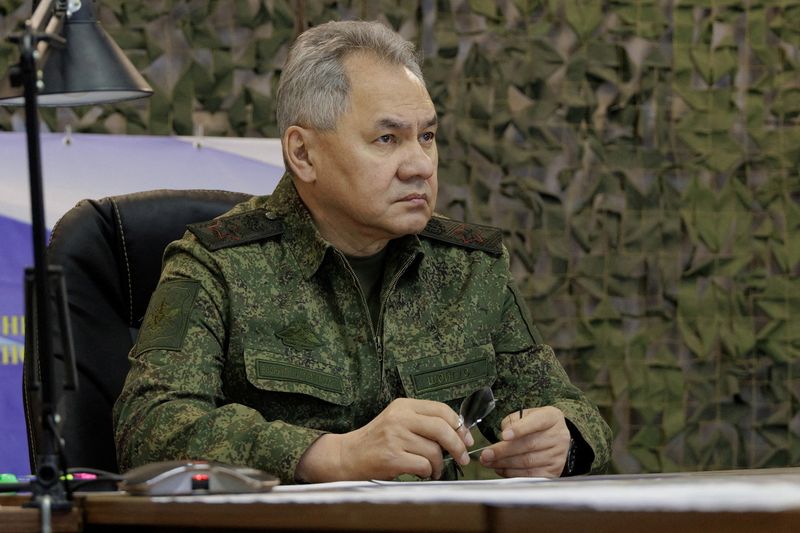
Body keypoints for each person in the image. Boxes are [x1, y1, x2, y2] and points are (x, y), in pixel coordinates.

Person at [113, 20, 612, 484]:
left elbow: (562, 405)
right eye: (387, 138)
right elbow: (149, 429)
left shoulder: (468, 268)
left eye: (428, 137)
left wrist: (562, 440)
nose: (419, 164)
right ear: (303, 153)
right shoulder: (216, 263)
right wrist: (330, 454)